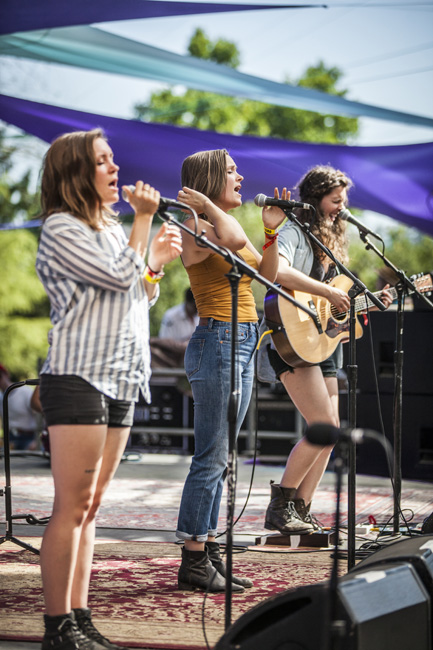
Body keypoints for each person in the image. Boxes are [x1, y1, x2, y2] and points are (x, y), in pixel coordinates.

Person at [35, 128, 182, 650]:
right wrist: (145, 221)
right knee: (70, 506)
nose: (115, 168)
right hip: (79, 375)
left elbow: (134, 295)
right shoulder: (60, 227)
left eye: (112, 159)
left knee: (92, 507)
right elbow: (119, 281)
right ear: (77, 172)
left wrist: (155, 265)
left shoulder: (111, 229)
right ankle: (58, 626)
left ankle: (80, 614)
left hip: (121, 374)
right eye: (103, 161)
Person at [257, 165, 393, 536]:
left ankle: (301, 510)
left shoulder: (331, 242)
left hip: (321, 345)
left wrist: (345, 320)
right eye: (335, 201)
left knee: (331, 437)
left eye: (344, 202)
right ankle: (280, 504)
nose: (341, 209)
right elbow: (277, 273)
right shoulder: (294, 230)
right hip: (289, 339)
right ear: (315, 200)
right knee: (327, 428)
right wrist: (328, 293)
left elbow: (328, 312)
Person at [174, 148, 286, 593]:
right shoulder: (195, 226)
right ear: (209, 179)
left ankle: (208, 545)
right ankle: (193, 557)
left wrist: (273, 234)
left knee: (221, 459)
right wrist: (207, 206)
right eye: (232, 171)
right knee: (212, 457)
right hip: (218, 341)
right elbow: (237, 242)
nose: (241, 177)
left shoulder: (216, 220)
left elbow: (271, 277)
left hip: (238, 341)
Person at [150, 287, 199, 368]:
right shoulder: (171, 316)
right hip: (173, 359)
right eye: (194, 307)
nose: (196, 311)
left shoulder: (200, 316)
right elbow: (165, 341)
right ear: (187, 302)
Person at [0, 364, 41, 450]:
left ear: (6, 375)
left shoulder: (25, 392)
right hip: (10, 438)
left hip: (28, 439)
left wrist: (37, 440)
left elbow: (39, 416)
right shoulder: (1, 397)